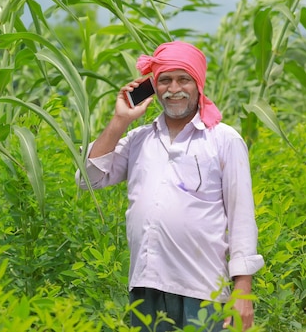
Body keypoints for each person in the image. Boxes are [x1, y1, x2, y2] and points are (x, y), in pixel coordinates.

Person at [75, 41, 264, 331]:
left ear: (198, 84)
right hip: (146, 287)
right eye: (165, 80)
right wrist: (119, 120)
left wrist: (243, 289)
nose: (174, 88)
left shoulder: (224, 140)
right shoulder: (139, 139)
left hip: (203, 292)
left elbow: (241, 217)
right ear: (153, 87)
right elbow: (88, 178)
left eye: (183, 79)